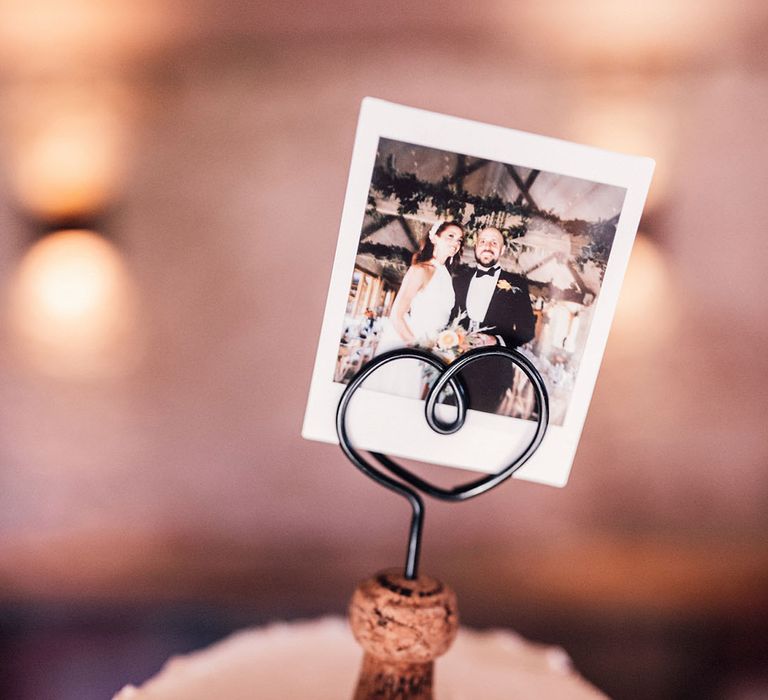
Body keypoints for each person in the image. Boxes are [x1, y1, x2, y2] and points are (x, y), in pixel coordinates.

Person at [366, 220, 464, 399]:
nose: (456, 243)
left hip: (435, 347)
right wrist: (418, 350)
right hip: (412, 342)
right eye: (451, 236)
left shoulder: (446, 275)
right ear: (434, 238)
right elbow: (396, 315)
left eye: (459, 240)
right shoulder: (421, 270)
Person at [450, 226, 536, 413]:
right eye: (483, 241)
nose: (487, 246)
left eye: (494, 242)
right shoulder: (459, 281)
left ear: (502, 250)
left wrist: (497, 341)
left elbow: (527, 330)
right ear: (475, 246)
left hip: (494, 370)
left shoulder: (517, 284)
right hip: (455, 364)